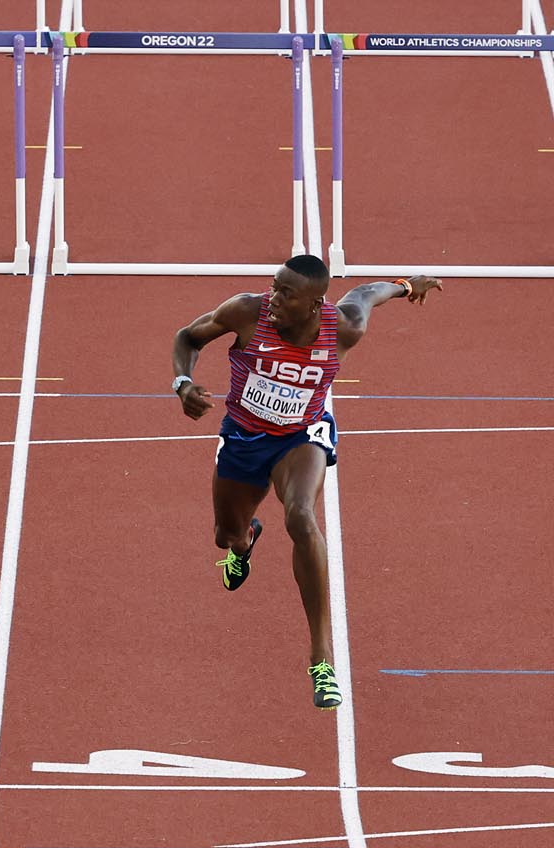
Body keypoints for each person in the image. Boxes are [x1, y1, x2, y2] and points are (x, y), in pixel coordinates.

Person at [173, 255, 441, 710]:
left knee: (300, 516)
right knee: (226, 535)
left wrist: (404, 283)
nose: (273, 299)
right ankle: (245, 543)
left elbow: (365, 294)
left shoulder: (345, 328)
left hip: (301, 435)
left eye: (286, 293)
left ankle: (322, 659)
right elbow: (187, 337)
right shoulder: (246, 311)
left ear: (316, 304)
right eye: (274, 287)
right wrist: (183, 383)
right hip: (242, 435)